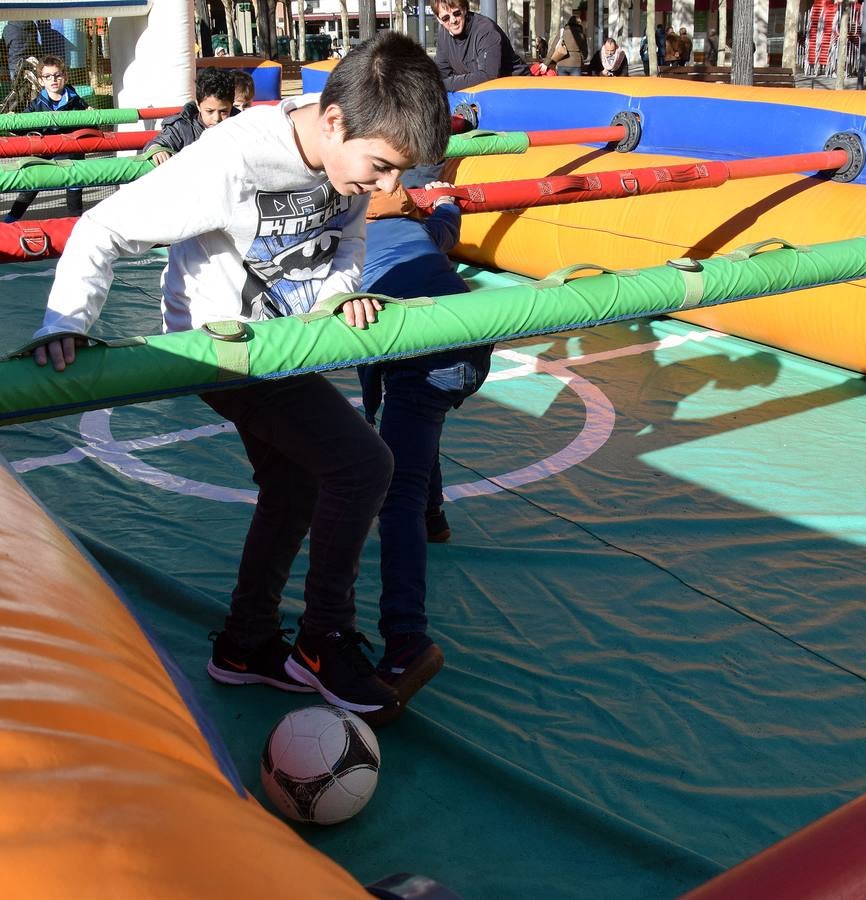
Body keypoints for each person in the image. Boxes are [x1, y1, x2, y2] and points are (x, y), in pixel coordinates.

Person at [30, 31, 453, 726]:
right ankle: (323, 638)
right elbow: (102, 226)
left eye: (396, 175)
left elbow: (347, 241)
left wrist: (341, 297)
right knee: (363, 465)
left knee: (293, 484)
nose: (387, 189)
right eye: (380, 168)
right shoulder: (231, 161)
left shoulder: (348, 158)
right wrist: (65, 321)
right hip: (221, 348)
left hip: (281, 346)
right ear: (336, 121)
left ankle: (246, 642)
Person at [358, 182, 492, 708]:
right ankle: (435, 517)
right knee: (415, 428)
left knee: (397, 491)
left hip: (425, 355)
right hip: (471, 342)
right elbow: (448, 223)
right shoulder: (418, 229)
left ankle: (405, 640)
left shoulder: (348, 239)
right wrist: (445, 202)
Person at [3, 55, 89, 224]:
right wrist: (13, 121)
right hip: (45, 150)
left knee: (74, 186)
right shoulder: (37, 103)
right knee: (32, 183)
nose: (53, 80)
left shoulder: (75, 100)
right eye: (48, 77)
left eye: (57, 75)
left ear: (65, 77)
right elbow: (22, 127)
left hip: (69, 151)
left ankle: (75, 223)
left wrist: (90, 113)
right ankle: (10, 220)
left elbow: (92, 124)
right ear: (41, 81)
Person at [144, 67, 237, 166]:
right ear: (198, 105)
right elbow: (158, 142)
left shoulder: (241, 125)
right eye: (209, 111)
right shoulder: (182, 127)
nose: (216, 118)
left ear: (231, 106)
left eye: (223, 111)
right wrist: (157, 149)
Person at [433, 0, 530, 91]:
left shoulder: (486, 30)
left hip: (519, 87)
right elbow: (441, 73)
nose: (453, 20)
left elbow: (488, 76)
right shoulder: (444, 33)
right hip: (481, 92)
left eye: (457, 13)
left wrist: (444, 84)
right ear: (439, 19)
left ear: (464, 9)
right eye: (446, 18)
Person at [539, 10, 588, 76]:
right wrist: (580, 57)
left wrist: (546, 63)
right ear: (578, 24)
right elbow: (585, 53)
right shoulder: (581, 34)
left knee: (562, 85)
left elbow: (553, 48)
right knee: (576, 85)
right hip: (576, 64)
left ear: (568, 23)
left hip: (562, 63)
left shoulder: (562, 32)